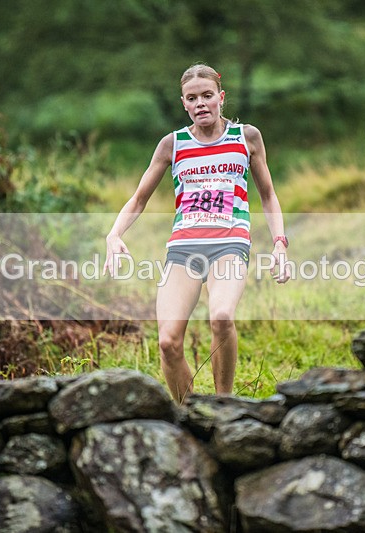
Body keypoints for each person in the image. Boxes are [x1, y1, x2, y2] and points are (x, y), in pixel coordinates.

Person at [103, 63, 291, 403]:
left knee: (221, 317)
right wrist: (114, 234)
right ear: (184, 104)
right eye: (192, 98)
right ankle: (190, 413)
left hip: (230, 243)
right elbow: (139, 198)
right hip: (184, 248)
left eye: (207, 95)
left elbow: (268, 195)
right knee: (168, 341)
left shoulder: (246, 137)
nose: (200, 103)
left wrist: (280, 243)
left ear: (221, 97)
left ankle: (224, 405)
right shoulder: (171, 144)